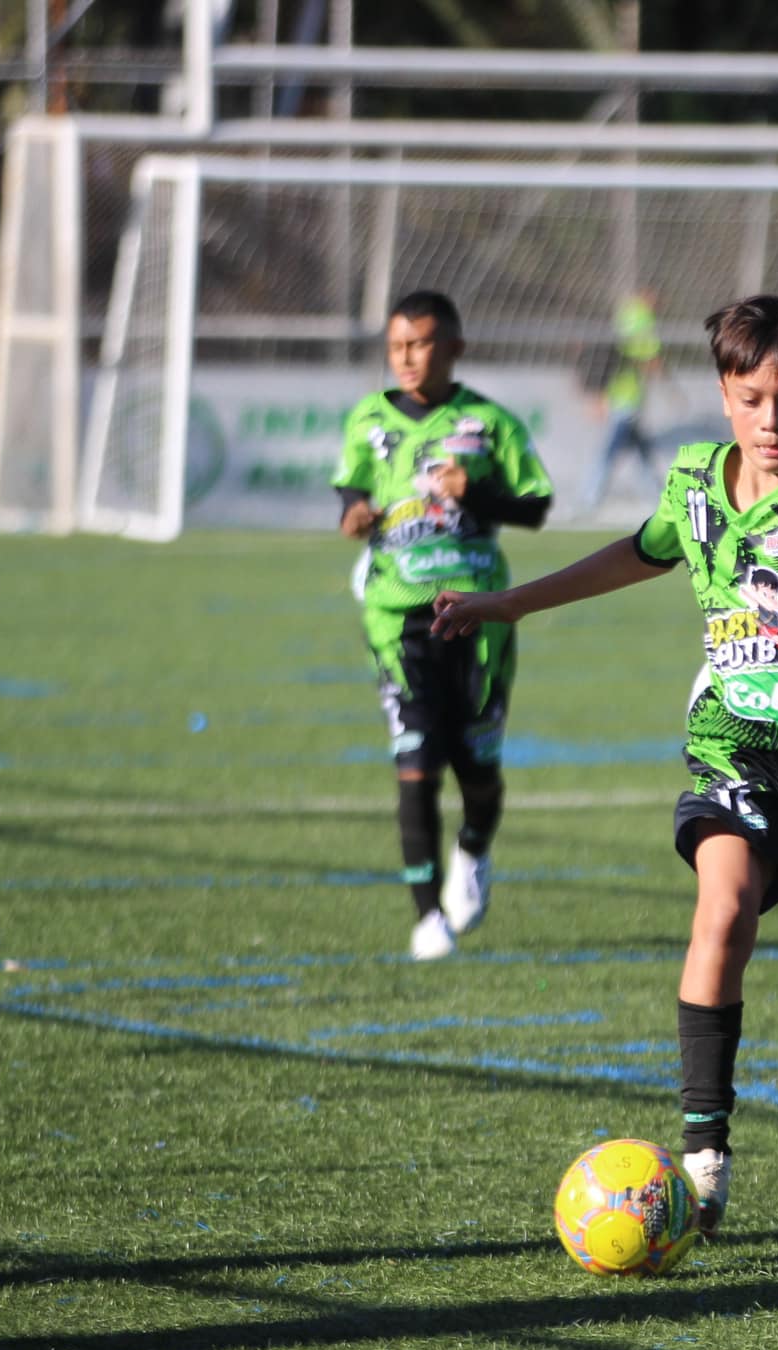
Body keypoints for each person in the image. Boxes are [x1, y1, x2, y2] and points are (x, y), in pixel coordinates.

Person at [433, 290, 778, 1236]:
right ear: (723, 393)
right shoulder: (695, 486)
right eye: (753, 398)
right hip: (734, 748)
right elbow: (636, 555)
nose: (772, 420)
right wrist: (506, 605)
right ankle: (704, 1163)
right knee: (722, 904)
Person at [331, 290, 554, 962]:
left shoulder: (489, 423)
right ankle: (427, 915)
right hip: (398, 612)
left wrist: (473, 494)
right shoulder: (368, 419)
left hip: (479, 613)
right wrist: (355, 513)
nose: (406, 357)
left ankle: (474, 848)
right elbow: (351, 488)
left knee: (477, 770)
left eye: (421, 344)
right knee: (416, 761)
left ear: (452, 347)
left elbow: (535, 507)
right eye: (397, 345)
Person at [585, 289, 663, 507]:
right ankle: (589, 495)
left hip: (617, 391)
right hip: (628, 396)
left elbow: (606, 358)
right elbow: (651, 358)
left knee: (640, 447)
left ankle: (656, 493)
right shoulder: (642, 322)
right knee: (612, 448)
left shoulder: (623, 317)